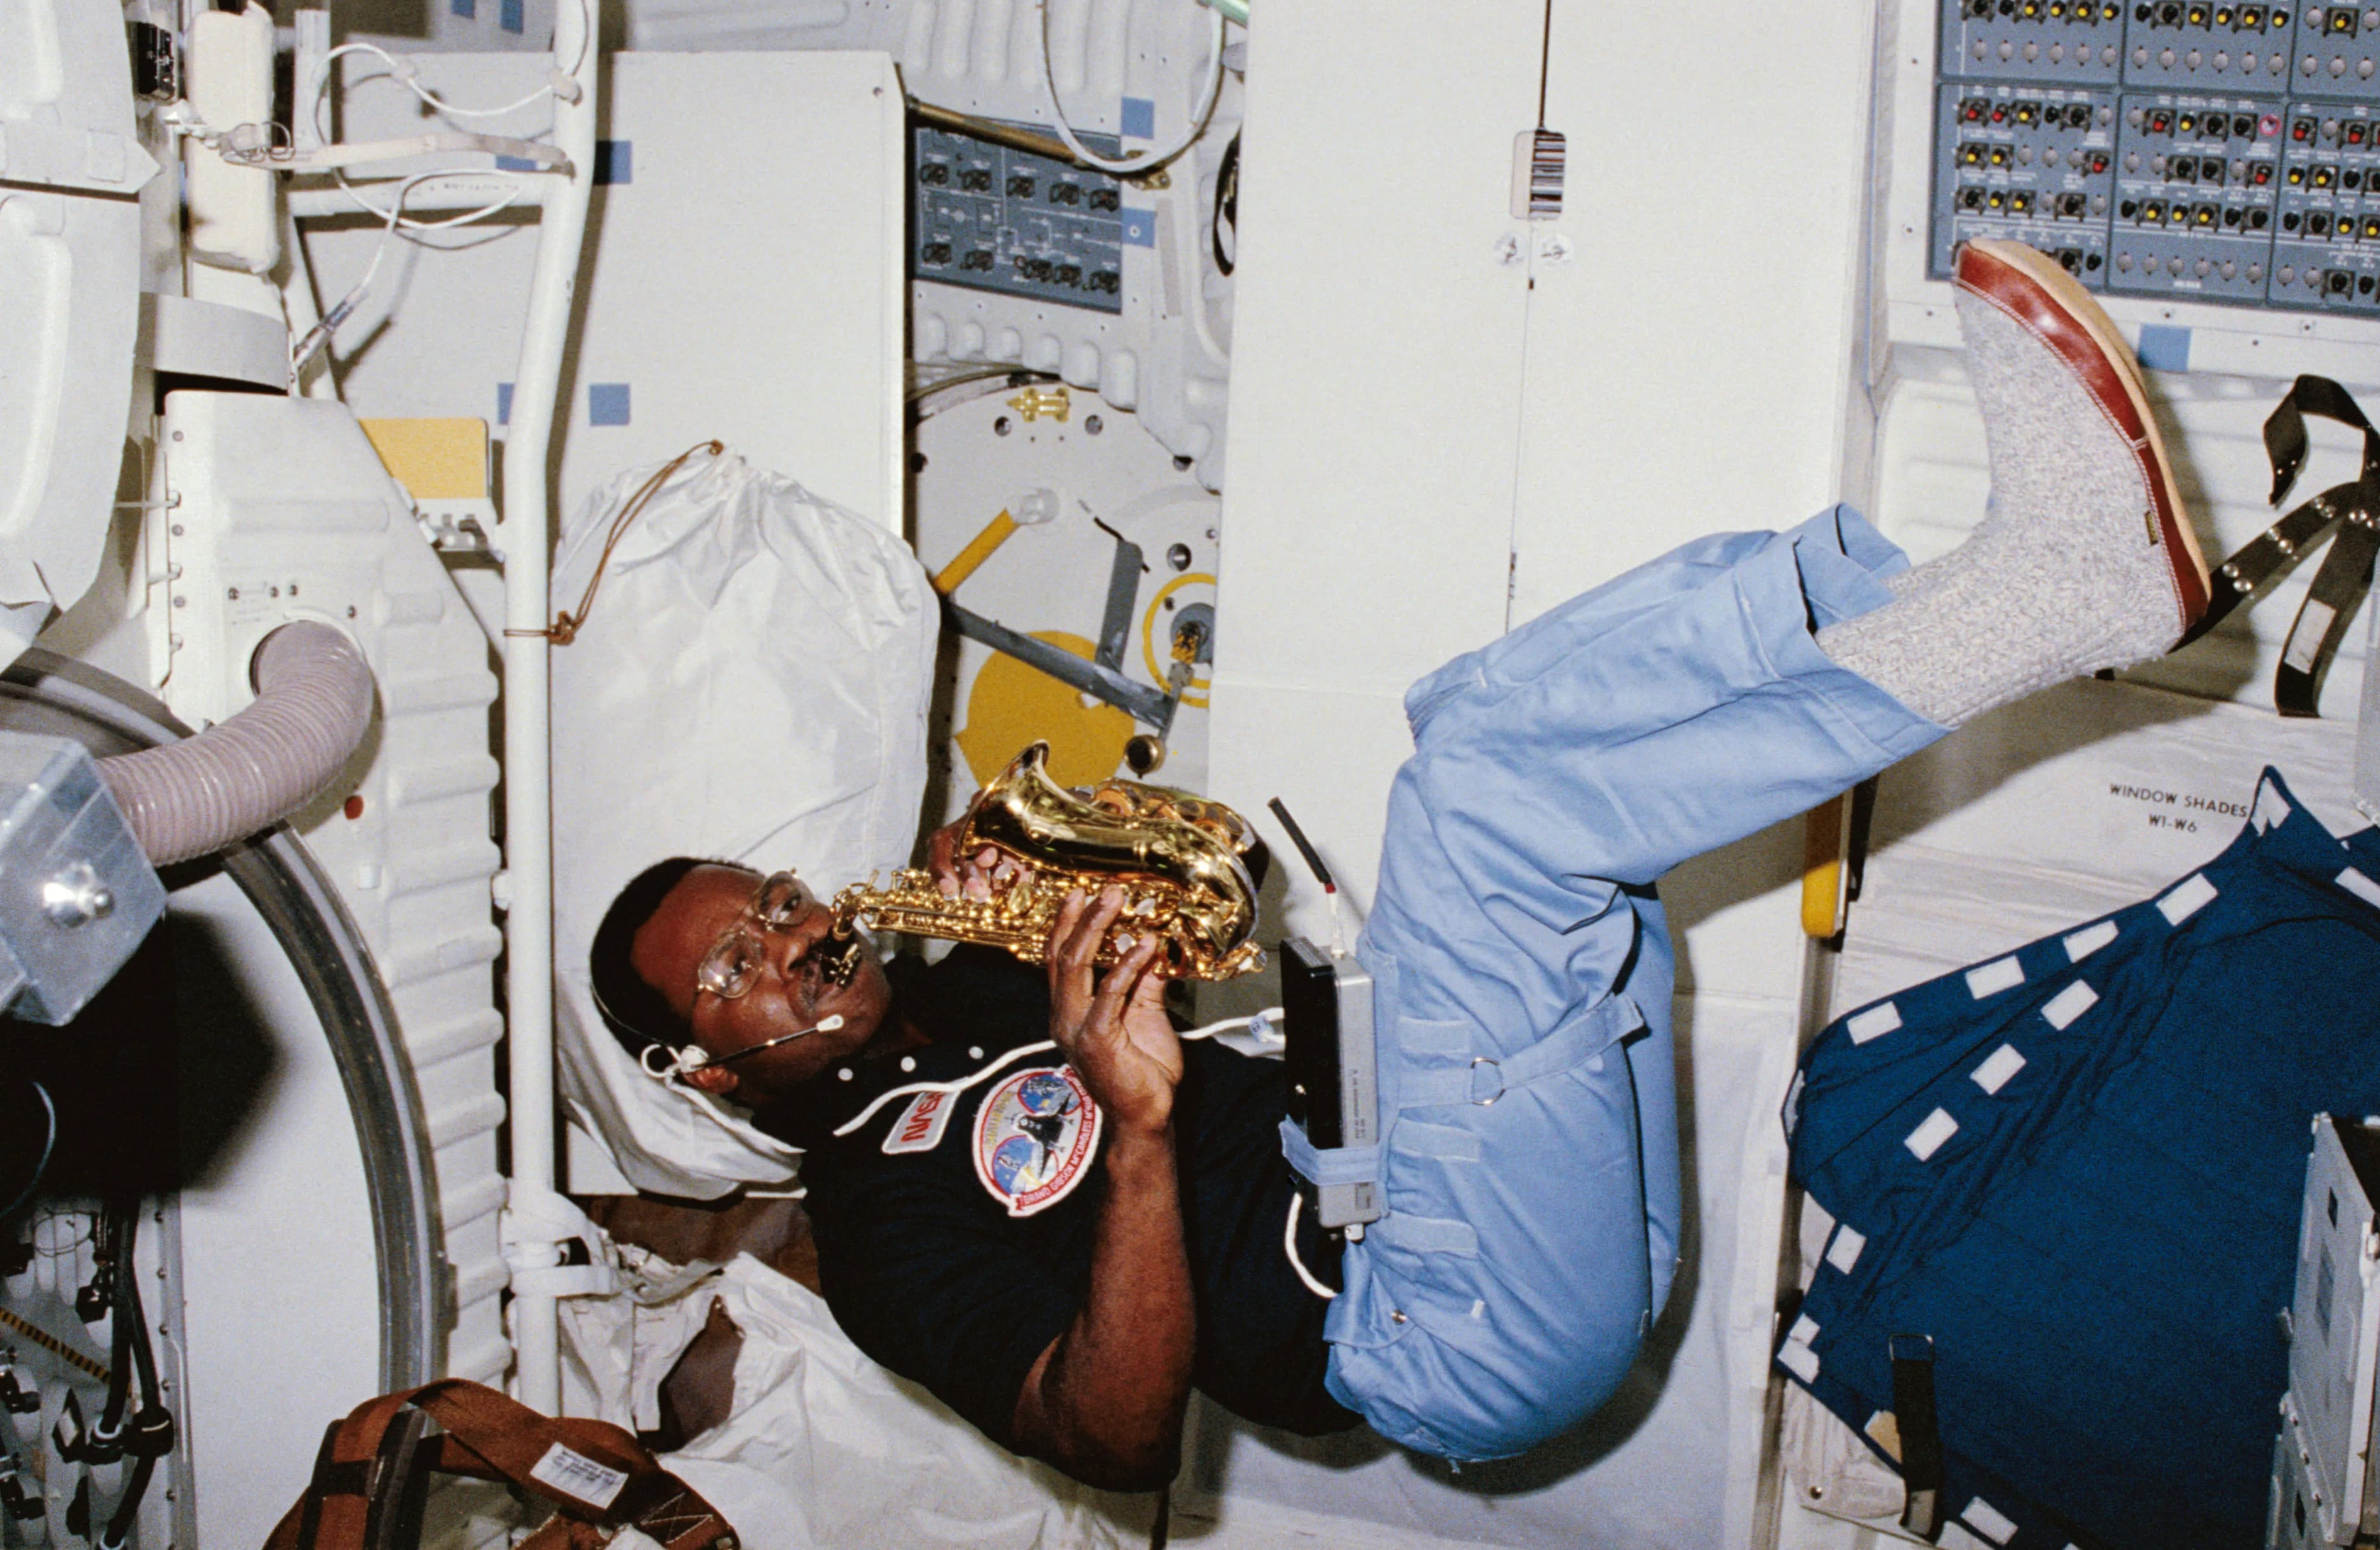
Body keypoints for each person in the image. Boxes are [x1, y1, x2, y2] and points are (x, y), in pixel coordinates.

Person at [585, 239, 2208, 1486]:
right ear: (705, 1071)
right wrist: (1137, 1128)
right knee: (1482, 816)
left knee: (1469, 722)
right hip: (1428, 1321)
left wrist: (1066, 859)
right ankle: (2046, 603)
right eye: (734, 967)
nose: (792, 937)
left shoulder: (973, 970)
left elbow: (1228, 926)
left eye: (776, 899)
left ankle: (1950, 588)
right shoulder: (874, 1222)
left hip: (1451, 1172)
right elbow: (1111, 1433)